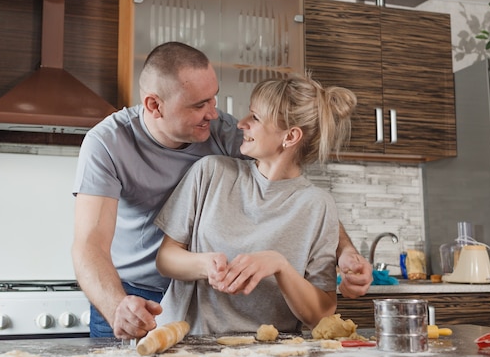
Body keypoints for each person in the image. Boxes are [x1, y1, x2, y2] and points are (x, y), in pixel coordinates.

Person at [72, 41, 372, 339]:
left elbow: (295, 194)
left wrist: (346, 250)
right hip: (131, 289)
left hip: (201, 294)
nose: (215, 114)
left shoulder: (222, 133)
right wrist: (116, 307)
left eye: (213, 99)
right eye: (199, 105)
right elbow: (90, 243)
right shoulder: (108, 143)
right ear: (154, 105)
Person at [154, 75, 356, 334]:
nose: (241, 124)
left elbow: (322, 315)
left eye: (255, 118)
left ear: (291, 136)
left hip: (270, 354)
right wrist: (205, 265)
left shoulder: (317, 205)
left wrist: (280, 266)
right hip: (188, 344)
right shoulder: (210, 172)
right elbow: (165, 259)